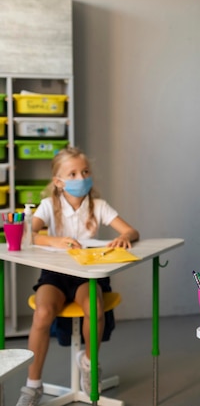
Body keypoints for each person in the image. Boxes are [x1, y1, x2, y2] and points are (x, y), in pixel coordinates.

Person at [16, 147, 140, 406]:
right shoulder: (49, 206)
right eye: (72, 173)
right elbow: (29, 234)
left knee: (94, 309)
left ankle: (88, 363)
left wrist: (123, 237)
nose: (81, 177)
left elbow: (131, 231)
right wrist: (55, 241)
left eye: (84, 172)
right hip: (56, 275)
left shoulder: (99, 206)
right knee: (42, 313)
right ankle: (32, 386)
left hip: (88, 274)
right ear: (59, 182)